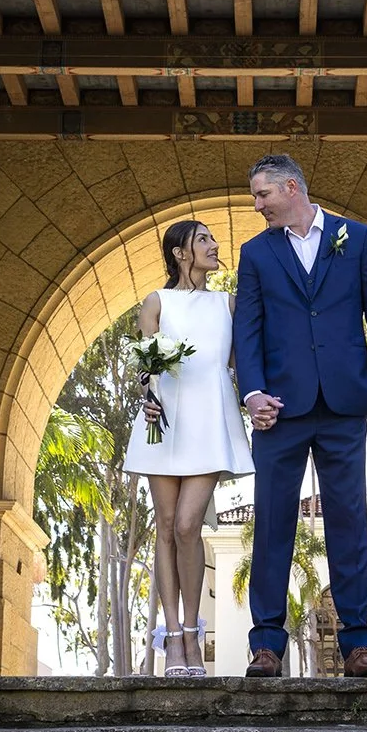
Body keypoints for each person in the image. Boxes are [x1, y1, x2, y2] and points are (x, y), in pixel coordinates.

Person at [234, 154, 367, 680]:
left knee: (350, 521)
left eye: (263, 195)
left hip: (345, 400)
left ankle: (359, 645)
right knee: (272, 525)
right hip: (279, 410)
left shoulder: (356, 238)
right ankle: (266, 646)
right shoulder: (256, 253)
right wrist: (253, 392)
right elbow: (249, 326)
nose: (257, 205)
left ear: (291, 187)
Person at [123, 219, 253, 678]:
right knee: (163, 525)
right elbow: (146, 365)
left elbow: (244, 363)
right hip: (165, 421)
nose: (215, 246)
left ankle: (195, 632)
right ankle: (174, 637)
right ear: (180, 253)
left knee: (186, 525)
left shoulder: (229, 304)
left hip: (209, 422)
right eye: (204, 240)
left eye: (213, 240)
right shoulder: (157, 302)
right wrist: (147, 397)